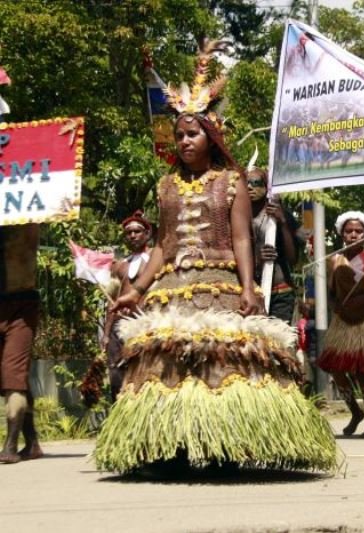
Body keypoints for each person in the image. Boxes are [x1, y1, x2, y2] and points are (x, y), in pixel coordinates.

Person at [95, 42, 337, 474]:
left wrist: (248, 287)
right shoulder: (165, 185)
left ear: (212, 134)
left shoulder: (231, 182)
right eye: (179, 135)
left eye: (193, 134)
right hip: (173, 286)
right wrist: (135, 289)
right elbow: (161, 246)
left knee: (223, 361)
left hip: (222, 282)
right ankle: (171, 449)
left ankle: (227, 444)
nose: (184, 141)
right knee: (168, 361)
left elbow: (243, 238)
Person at [317, 211, 364, 437]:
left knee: (362, 372)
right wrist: (333, 305)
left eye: (359, 231)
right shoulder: (334, 260)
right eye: (349, 231)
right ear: (342, 234)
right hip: (343, 320)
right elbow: (330, 293)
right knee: (336, 370)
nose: (353, 234)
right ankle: (355, 412)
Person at [0, 224, 43, 464]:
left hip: (21, 304)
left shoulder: (26, 216)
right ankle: (33, 442)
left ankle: (10, 444)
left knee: (12, 372)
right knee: (13, 375)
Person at [101, 210, 151, 400]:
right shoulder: (120, 266)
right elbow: (111, 300)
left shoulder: (155, 260)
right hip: (119, 325)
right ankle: (117, 415)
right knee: (115, 373)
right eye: (128, 233)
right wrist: (106, 334)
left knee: (143, 373)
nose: (132, 235)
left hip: (144, 322)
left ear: (147, 234)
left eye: (137, 231)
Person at [247, 166, 301, 323]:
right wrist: (257, 259)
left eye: (255, 182)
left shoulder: (280, 213)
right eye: (246, 183)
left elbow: (293, 260)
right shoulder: (238, 215)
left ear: (266, 187)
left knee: (278, 343)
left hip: (280, 293)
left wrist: (282, 222)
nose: (250, 187)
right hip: (251, 292)